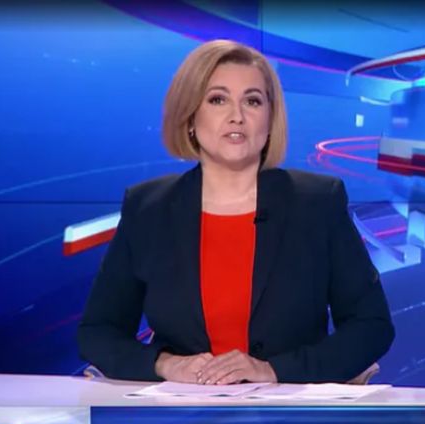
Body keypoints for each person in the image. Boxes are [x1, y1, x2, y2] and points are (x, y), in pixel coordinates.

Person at [77, 40, 394, 385]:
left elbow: (371, 326)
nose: (237, 116)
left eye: (252, 101)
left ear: (270, 120)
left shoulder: (317, 203)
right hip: (180, 411)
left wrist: (274, 370)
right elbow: (98, 332)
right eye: (218, 99)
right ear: (190, 116)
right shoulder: (148, 208)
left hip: (287, 411)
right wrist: (165, 365)